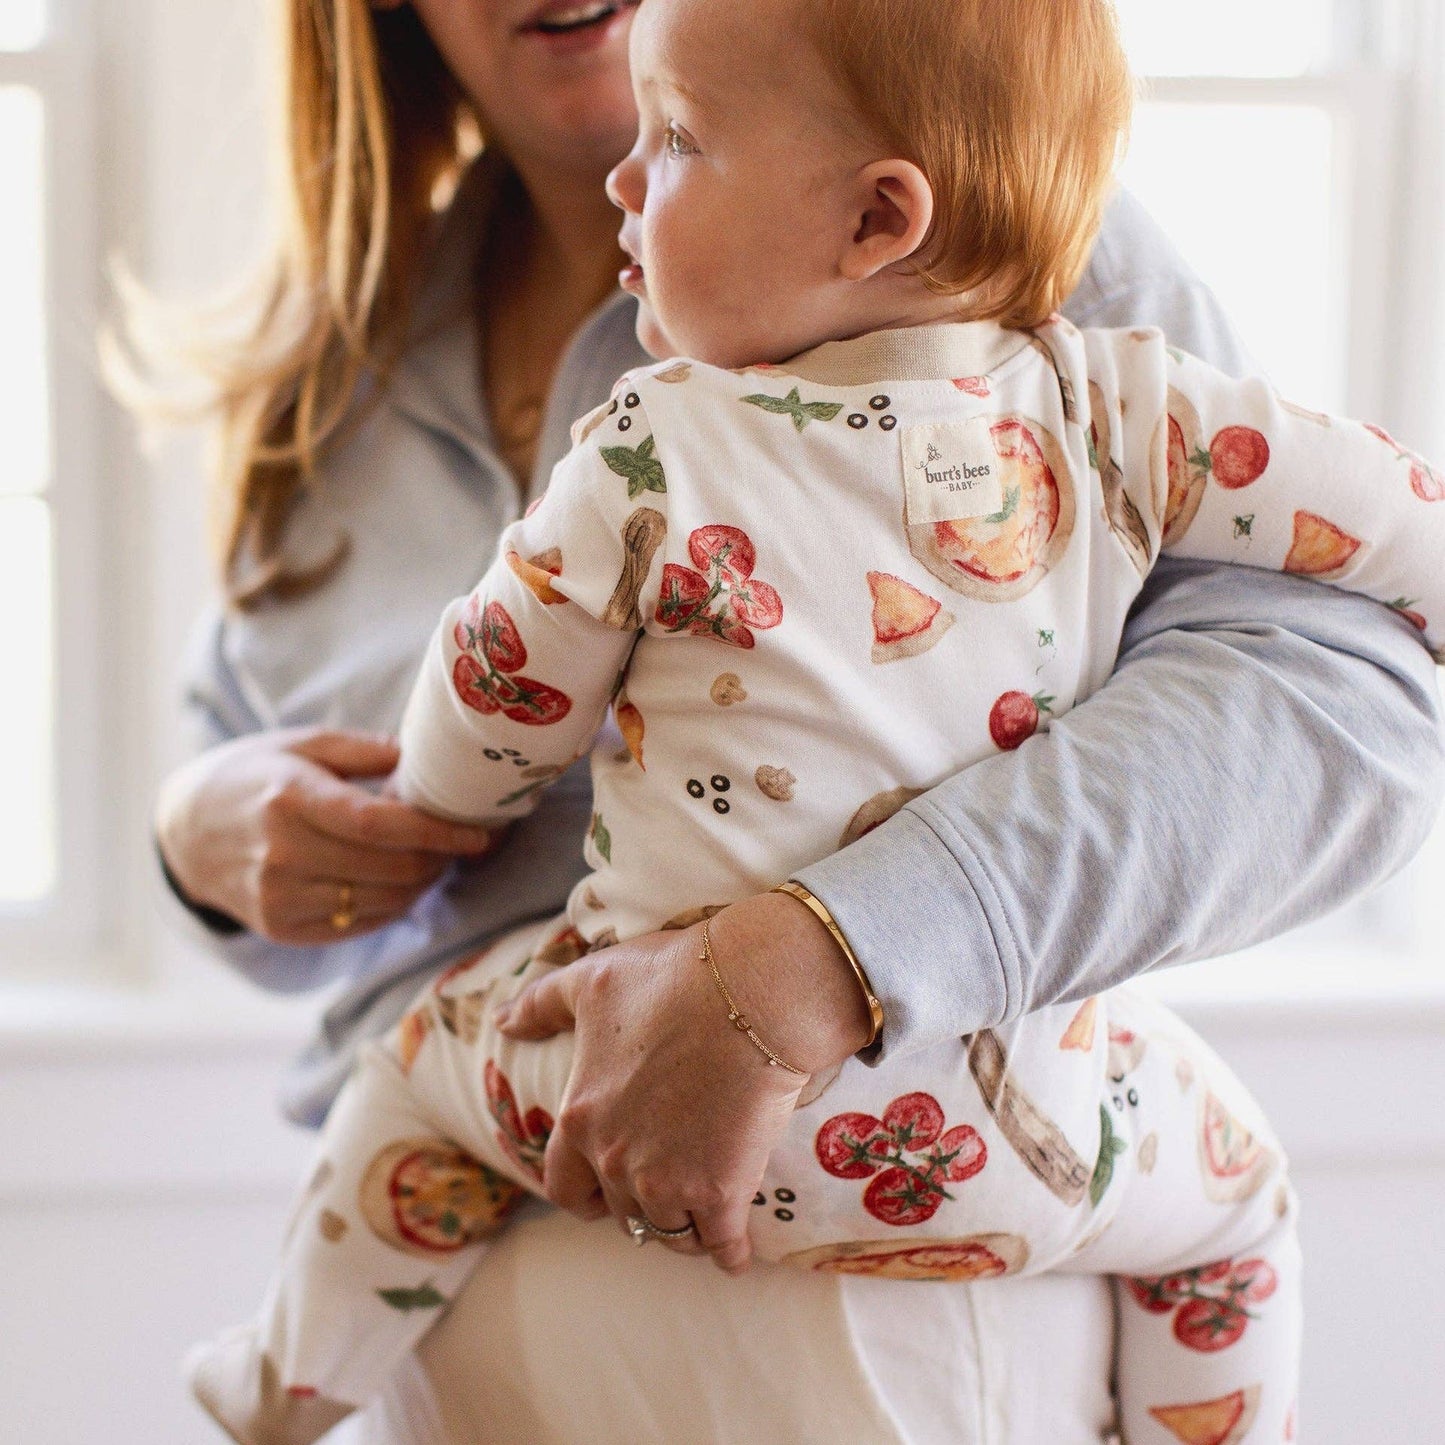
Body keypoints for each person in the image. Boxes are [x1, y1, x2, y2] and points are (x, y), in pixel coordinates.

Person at [137, 0, 1444, 1440]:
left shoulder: (984, 234)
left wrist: (831, 951)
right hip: (465, 1352)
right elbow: (289, 792)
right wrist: (197, 837)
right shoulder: (336, 361)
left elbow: (1346, 713)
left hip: (882, 1306)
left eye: (682, 139)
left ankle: (272, 1387)